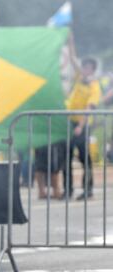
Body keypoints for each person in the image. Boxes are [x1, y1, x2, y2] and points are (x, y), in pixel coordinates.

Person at [63, 55, 101, 200]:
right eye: (84, 67)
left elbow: (89, 107)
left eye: (88, 68)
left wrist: (80, 126)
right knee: (67, 157)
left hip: (83, 125)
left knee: (84, 158)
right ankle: (68, 190)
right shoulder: (79, 79)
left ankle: (87, 189)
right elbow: (73, 61)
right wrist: (70, 41)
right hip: (70, 122)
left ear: (93, 70)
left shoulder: (94, 86)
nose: (85, 70)